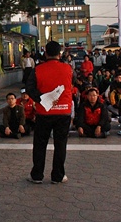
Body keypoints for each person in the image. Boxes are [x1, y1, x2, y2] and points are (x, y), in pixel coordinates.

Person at [26, 41, 73, 185]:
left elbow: (29, 88)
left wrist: (42, 99)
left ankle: (37, 175)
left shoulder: (38, 69)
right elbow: (73, 83)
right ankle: (58, 176)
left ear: (45, 53)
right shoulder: (68, 68)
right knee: (60, 145)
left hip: (44, 112)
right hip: (63, 111)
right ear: (60, 54)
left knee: (40, 144)